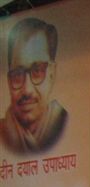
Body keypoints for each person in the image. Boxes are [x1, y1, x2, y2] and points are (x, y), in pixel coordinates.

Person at [1, 18, 68, 154]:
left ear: (52, 74)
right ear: (9, 81)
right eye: (18, 74)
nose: (27, 90)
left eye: (37, 71)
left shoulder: (71, 126)